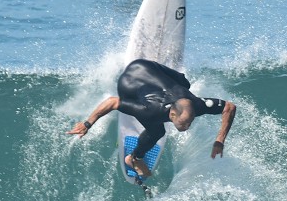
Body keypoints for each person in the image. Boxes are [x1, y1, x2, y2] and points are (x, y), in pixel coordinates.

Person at [67, 59, 236, 178]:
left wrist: (220, 139)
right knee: (157, 131)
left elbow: (229, 107)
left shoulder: (197, 105)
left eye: (189, 122)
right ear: (172, 115)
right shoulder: (152, 111)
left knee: (185, 82)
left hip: (148, 66)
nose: (187, 127)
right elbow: (112, 102)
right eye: (183, 124)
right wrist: (87, 124)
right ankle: (134, 158)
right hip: (129, 81)